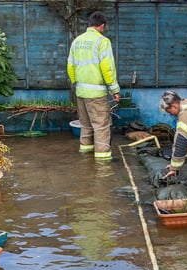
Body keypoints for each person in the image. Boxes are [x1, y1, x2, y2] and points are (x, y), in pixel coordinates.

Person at [67, 11, 120, 162]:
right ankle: (102, 163)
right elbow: (107, 69)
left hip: (81, 92)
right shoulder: (102, 41)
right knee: (101, 126)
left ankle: (85, 156)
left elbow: (70, 66)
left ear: (90, 24)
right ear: (102, 26)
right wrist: (114, 90)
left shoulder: (77, 41)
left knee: (85, 125)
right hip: (96, 94)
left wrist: (77, 83)